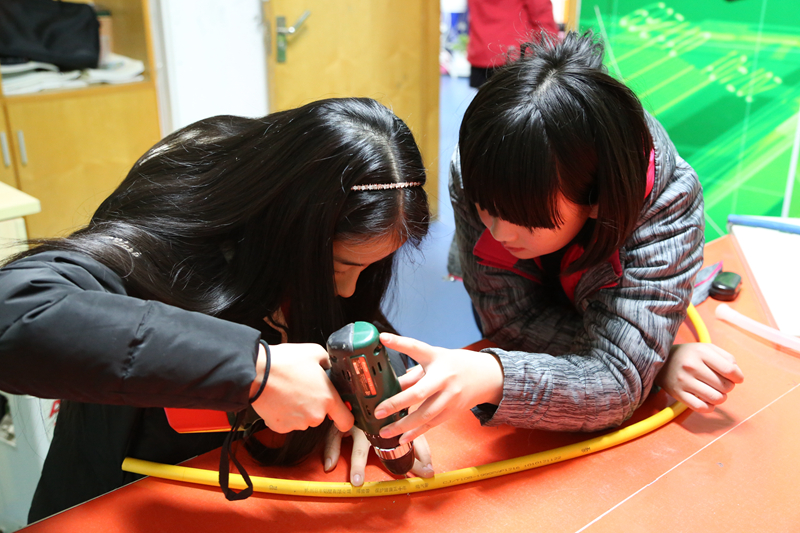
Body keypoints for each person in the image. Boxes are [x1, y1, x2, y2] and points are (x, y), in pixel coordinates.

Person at [0, 97, 432, 522]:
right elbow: (18, 311)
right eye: (340, 266)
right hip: (121, 500)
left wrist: (371, 392)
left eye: (370, 268)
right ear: (287, 230)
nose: (349, 288)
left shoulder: (328, 250)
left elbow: (358, 322)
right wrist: (253, 369)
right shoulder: (171, 225)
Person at [371, 31, 744, 446]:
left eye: (528, 220)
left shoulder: (666, 203)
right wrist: (643, 362)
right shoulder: (479, 169)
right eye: (485, 207)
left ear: (598, 199)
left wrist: (498, 375)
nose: (497, 231)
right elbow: (508, 320)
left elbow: (616, 388)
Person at [466, 0, 558, 88]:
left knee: (483, 101)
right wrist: (551, 52)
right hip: (514, 55)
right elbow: (542, 13)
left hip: (482, 50)